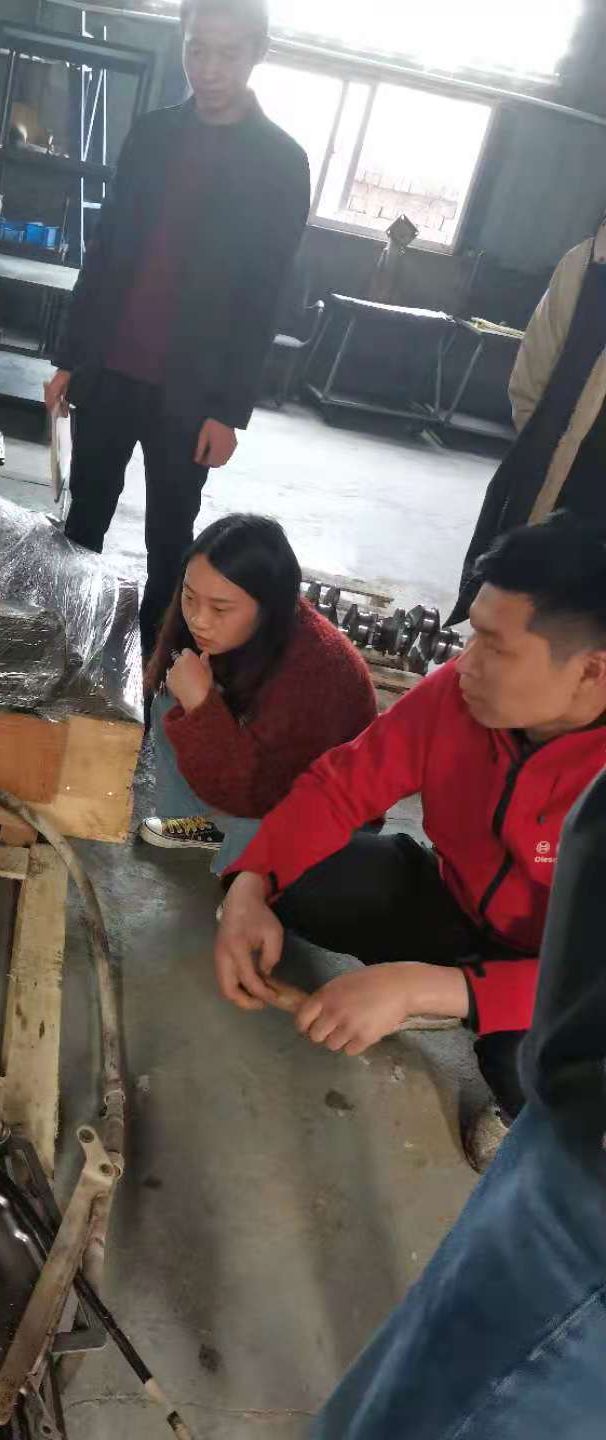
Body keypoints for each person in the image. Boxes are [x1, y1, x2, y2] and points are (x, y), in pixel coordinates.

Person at [213, 514, 606, 1167]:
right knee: (302, 876)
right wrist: (250, 885)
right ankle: (454, 990)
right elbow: (340, 787)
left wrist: (421, 989)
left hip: (563, 974)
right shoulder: (457, 695)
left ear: (591, 671)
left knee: (559, 1080)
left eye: (495, 648)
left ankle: (514, 1090)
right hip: (457, 904)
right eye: (470, 635)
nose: (464, 665)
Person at [311, 766, 606, 1439]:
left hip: (586, 1172)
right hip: (570, 1112)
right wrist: (253, 876)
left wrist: (433, 989)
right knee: (427, 1364)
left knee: (478, 1396)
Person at [45, 0, 310, 656]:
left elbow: (264, 298)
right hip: (110, 370)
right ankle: (62, 642)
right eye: (197, 50)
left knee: (170, 538)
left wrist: (229, 411)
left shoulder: (280, 162)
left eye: (228, 53)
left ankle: (151, 665)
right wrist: (70, 357)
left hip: (191, 394)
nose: (209, 69)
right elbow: (104, 251)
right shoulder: (152, 136)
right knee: (84, 514)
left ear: (258, 53)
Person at [139, 514, 377, 872]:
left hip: (323, 813)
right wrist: (197, 702)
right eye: (189, 597)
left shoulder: (318, 670)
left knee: (241, 873)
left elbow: (258, 795)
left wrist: (202, 705)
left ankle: (248, 858)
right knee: (173, 693)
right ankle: (200, 825)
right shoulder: (248, 634)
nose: (198, 619)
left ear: (268, 606)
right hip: (261, 780)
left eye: (220, 608)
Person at [450, 215, 606, 624]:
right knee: (532, 600)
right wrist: (543, 441)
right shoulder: (585, 265)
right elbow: (534, 370)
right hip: (562, 470)